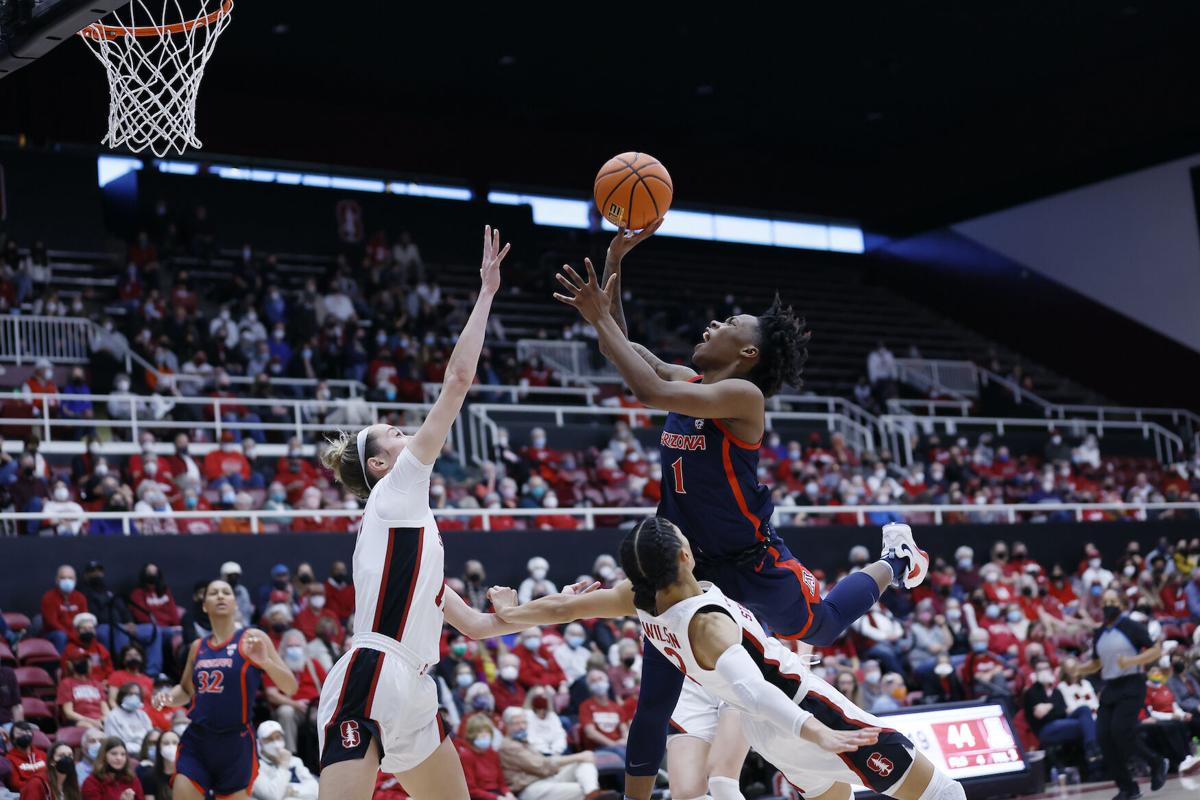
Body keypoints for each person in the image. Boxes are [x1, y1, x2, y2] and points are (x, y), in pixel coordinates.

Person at [564, 228, 931, 797]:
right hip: (689, 565)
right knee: (655, 691)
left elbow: (645, 390)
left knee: (820, 626)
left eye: (726, 325)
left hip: (749, 559)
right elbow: (625, 351)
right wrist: (613, 260)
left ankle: (896, 561)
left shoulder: (743, 399)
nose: (711, 327)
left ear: (747, 354)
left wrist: (597, 316)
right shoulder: (689, 380)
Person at [491, 517, 965, 800]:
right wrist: (818, 729)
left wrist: (510, 612)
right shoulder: (707, 622)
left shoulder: (636, 599)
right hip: (805, 711)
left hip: (770, 739)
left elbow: (561, 607)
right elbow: (755, 692)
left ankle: (898, 562)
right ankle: (899, 560)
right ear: (683, 555)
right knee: (947, 794)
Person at [312, 227, 545, 800]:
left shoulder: (415, 537)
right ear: (378, 467)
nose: (401, 428)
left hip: (415, 684)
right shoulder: (395, 493)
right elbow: (458, 381)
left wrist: (546, 608)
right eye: (388, 433)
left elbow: (479, 626)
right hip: (372, 669)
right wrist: (487, 293)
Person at [151, 580, 298, 800]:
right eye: (213, 593)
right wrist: (168, 698)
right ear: (204, 606)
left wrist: (266, 662)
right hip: (198, 740)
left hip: (235, 743)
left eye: (226, 592)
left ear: (235, 603)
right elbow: (185, 690)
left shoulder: (253, 638)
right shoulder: (197, 647)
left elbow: (290, 687)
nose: (220, 596)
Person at [1070, 589, 1167, 800]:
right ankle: (1127, 788)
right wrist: (1080, 669)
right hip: (1111, 687)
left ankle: (1155, 761)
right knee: (1103, 736)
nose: (1109, 605)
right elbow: (1097, 663)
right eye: (1105, 602)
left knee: (1120, 731)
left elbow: (1155, 650)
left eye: (1113, 601)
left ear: (1122, 605)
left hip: (1132, 684)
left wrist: (1132, 662)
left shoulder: (1131, 627)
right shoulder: (1099, 633)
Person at [498, 706, 599, 800]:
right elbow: (541, 765)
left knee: (585, 763)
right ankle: (593, 795)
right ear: (507, 725)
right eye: (517, 723)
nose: (522, 726)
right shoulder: (508, 746)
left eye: (524, 722)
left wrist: (579, 758)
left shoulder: (524, 741)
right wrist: (578, 756)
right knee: (580, 789)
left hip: (546, 779)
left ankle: (593, 792)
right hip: (530, 788)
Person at [251, 721, 318, 800]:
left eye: (278, 737)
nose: (275, 743)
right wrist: (283, 766)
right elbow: (273, 796)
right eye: (269, 739)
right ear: (259, 743)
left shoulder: (295, 761)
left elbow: (316, 790)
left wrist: (291, 790)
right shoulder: (255, 767)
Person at [458, 716, 515, 800]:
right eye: (480, 732)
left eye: (487, 732)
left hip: (497, 793)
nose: (485, 735)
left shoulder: (492, 753)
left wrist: (508, 793)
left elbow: (501, 782)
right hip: (480, 797)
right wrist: (497, 798)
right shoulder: (466, 756)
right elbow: (471, 790)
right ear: (472, 735)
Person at [41, 566, 86, 652]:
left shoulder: (80, 597)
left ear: (75, 580)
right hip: (55, 633)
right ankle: (59, 664)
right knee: (60, 636)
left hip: (75, 633)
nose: (67, 581)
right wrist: (71, 635)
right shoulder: (48, 597)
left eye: (70, 578)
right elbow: (52, 623)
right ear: (57, 580)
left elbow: (83, 619)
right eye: (63, 578)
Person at [58, 655, 109, 729]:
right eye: (86, 662)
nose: (90, 664)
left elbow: (105, 709)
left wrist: (104, 720)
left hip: (99, 721)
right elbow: (68, 712)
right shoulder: (66, 683)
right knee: (88, 727)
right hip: (78, 720)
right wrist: (92, 721)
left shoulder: (96, 684)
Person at [103, 684, 152, 757]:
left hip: (145, 752)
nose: (134, 697)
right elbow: (114, 742)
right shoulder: (113, 716)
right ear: (122, 696)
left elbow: (150, 736)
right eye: (130, 694)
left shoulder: (143, 715)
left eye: (137, 694)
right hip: (124, 754)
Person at [5, 722, 47, 793]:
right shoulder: (9, 758)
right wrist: (37, 787)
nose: (25, 734)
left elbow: (52, 775)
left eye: (27, 732)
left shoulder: (42, 754)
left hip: (47, 790)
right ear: (13, 739)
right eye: (20, 733)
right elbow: (15, 784)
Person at [135, 730, 178, 800]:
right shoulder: (150, 777)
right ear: (159, 748)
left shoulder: (188, 776)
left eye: (175, 743)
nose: (171, 747)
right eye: (166, 743)